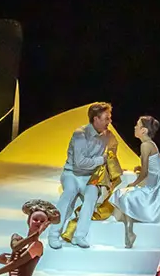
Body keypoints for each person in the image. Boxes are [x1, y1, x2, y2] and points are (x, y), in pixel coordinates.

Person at [49, 102, 118, 249]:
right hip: (72, 174)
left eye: (110, 118)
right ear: (96, 119)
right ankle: (53, 234)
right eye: (106, 118)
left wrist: (110, 159)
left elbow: (113, 151)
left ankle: (79, 236)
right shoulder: (80, 134)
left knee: (91, 197)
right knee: (69, 194)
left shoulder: (108, 135)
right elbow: (80, 163)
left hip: (90, 176)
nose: (109, 121)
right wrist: (101, 159)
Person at [111, 116, 160, 248]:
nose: (135, 127)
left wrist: (133, 183)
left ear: (144, 130)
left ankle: (129, 231)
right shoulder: (152, 144)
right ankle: (129, 229)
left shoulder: (145, 145)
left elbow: (145, 173)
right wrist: (146, 168)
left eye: (137, 125)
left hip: (157, 188)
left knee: (124, 194)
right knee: (124, 194)